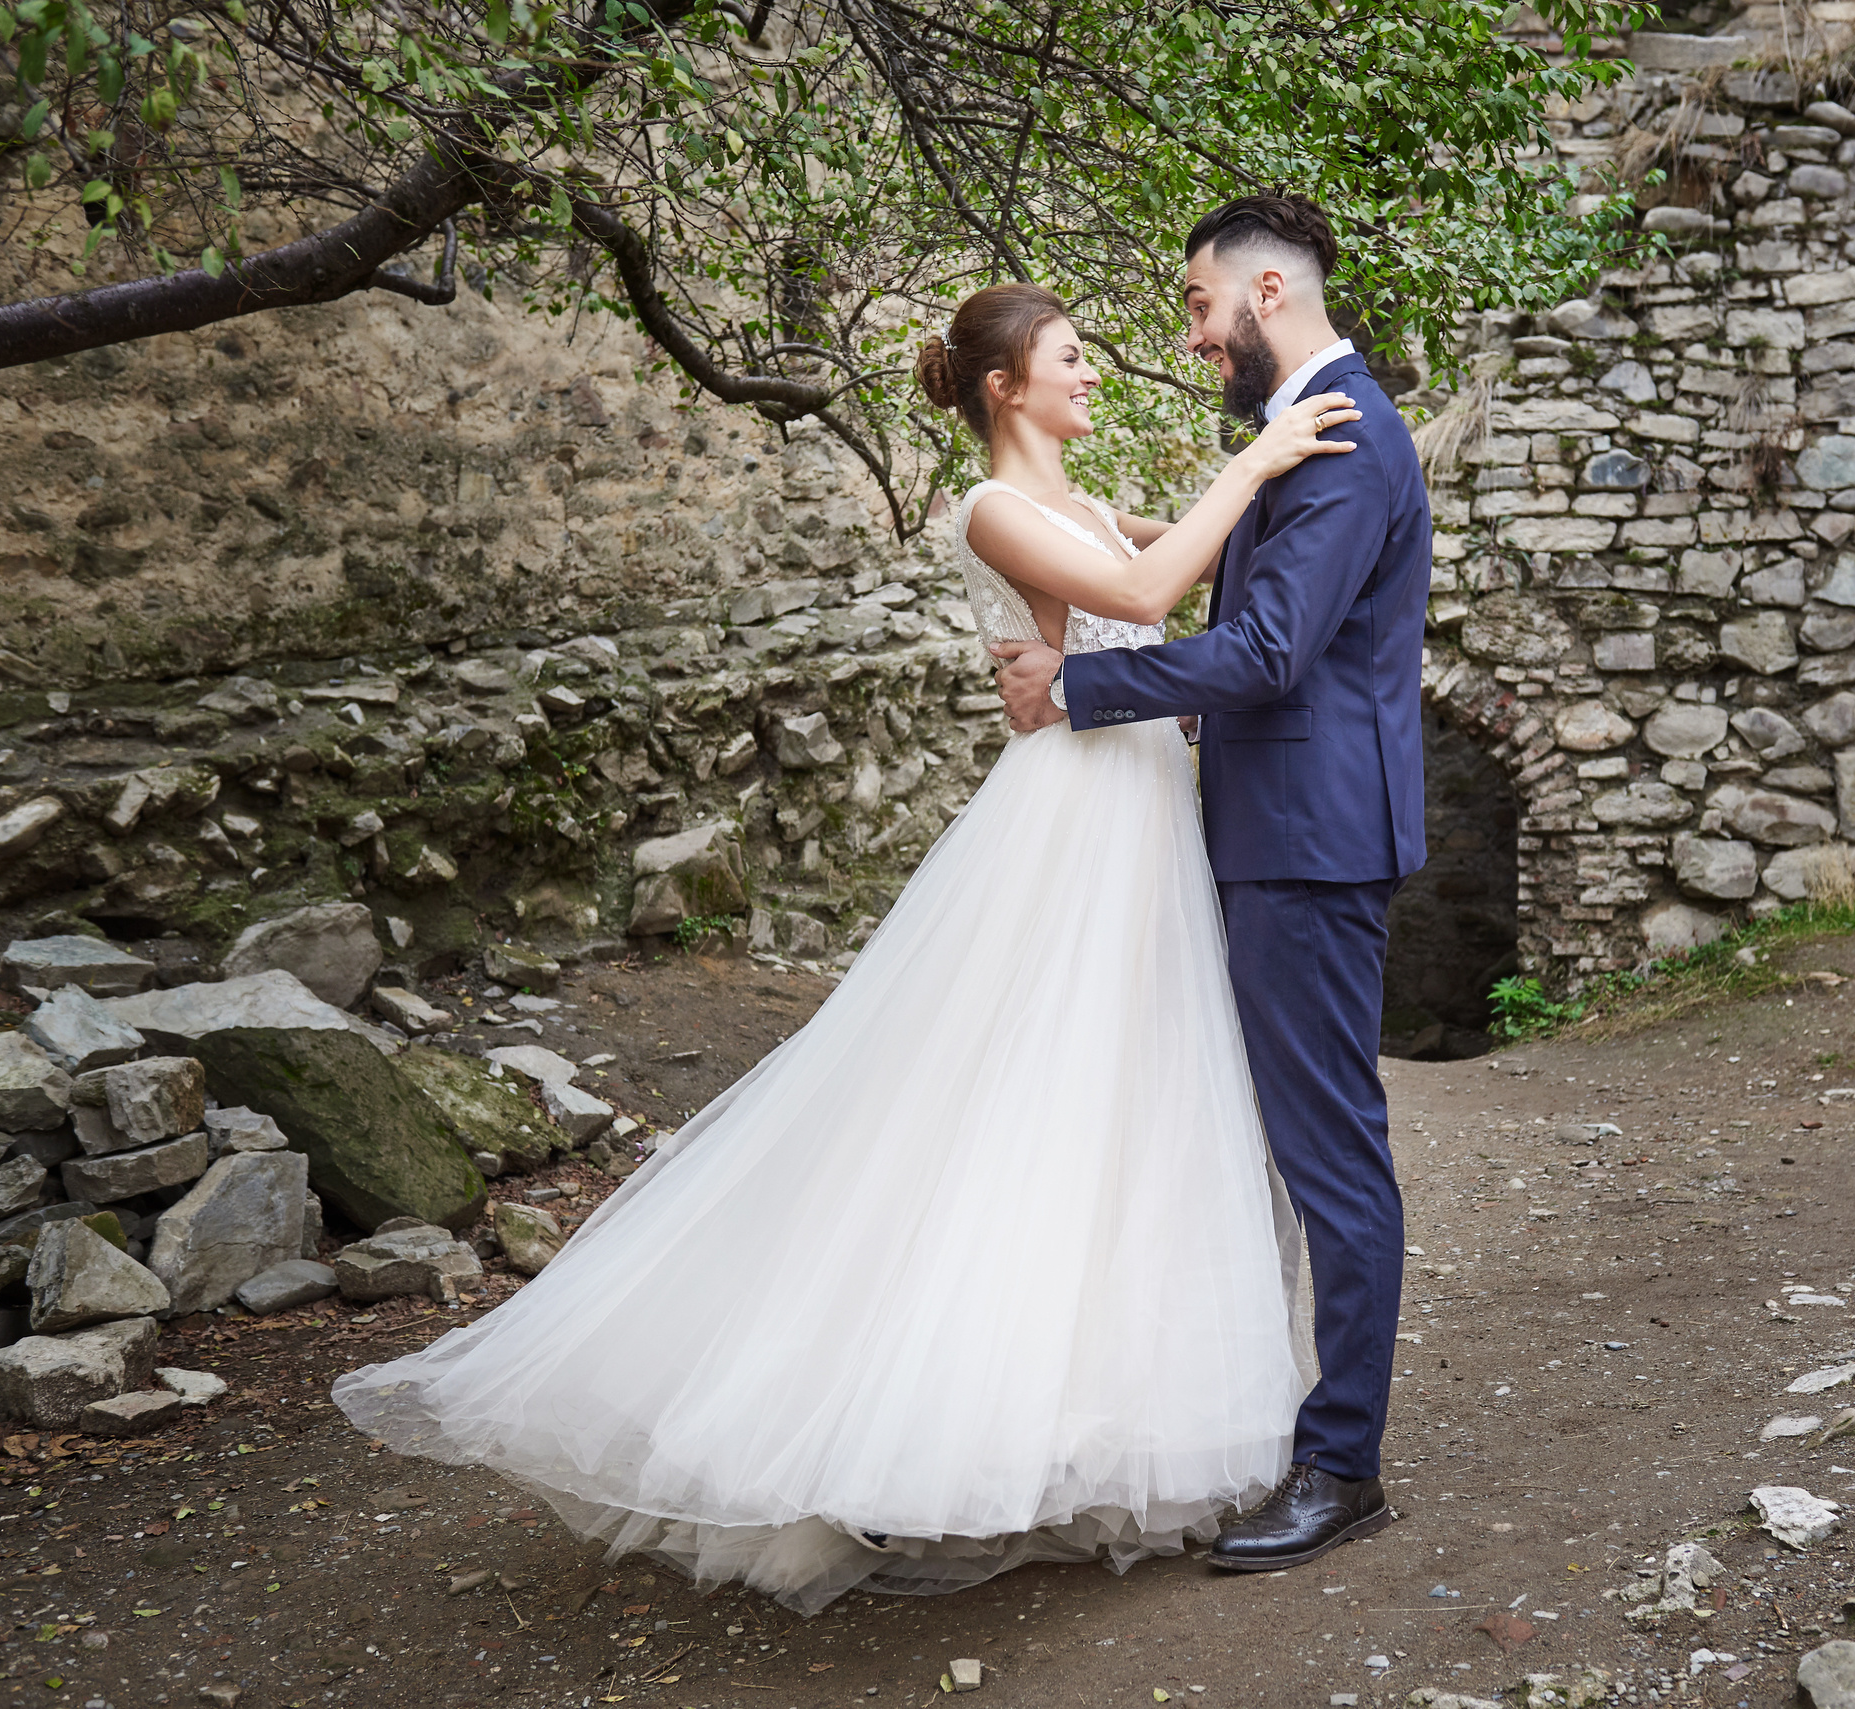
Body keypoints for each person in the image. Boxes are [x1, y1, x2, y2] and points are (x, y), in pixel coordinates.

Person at [330, 276, 1364, 1615]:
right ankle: (923, 1432)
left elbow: (1200, 561)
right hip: (1077, 823)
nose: (1094, 370)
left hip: (1142, 814)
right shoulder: (992, 508)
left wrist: (1291, 480)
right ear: (1008, 386)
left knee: (1123, 1110)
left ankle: (1087, 1418)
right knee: (1013, 1109)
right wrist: (1262, 452)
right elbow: (1153, 584)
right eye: (1071, 354)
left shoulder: (1083, 502)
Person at [991, 193, 1431, 1572]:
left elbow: (1271, 652)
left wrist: (1083, 688)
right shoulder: (1295, 434)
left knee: (1326, 1149)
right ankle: (1254, 1423)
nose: (1190, 337)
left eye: (1197, 306)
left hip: (1308, 841)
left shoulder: (1346, 438)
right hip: (1270, 826)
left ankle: (1341, 1461)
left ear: (1271, 292)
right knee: (1255, 1147)